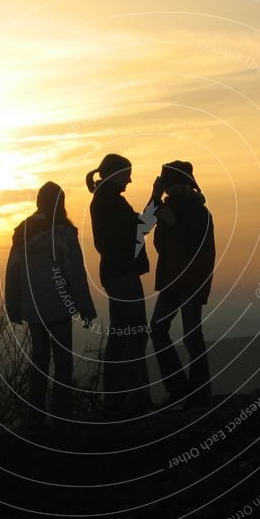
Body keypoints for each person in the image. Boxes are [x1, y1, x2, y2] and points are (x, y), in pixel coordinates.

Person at [5, 181, 96, 429]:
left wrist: (13, 306)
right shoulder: (64, 232)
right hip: (58, 307)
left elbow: (12, 272)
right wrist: (86, 310)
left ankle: (34, 419)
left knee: (39, 361)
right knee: (63, 363)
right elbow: (75, 273)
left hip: (33, 309)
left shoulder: (22, 232)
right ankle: (62, 419)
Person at [86, 154, 157, 418]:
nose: (130, 179)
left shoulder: (105, 199)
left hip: (113, 272)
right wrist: (154, 200)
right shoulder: (110, 201)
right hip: (123, 273)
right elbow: (139, 229)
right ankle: (136, 401)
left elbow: (136, 229)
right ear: (114, 173)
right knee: (136, 334)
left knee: (119, 337)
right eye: (126, 173)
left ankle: (115, 402)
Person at [149, 161, 215, 409]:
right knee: (158, 329)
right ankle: (179, 388)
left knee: (190, 335)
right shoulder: (167, 207)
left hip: (191, 280)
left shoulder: (198, 212)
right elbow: (145, 227)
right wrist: (154, 198)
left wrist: (172, 222)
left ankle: (199, 395)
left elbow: (193, 246)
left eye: (170, 185)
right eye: (165, 186)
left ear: (185, 184)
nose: (167, 190)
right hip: (171, 280)